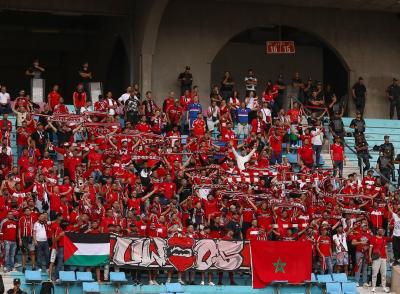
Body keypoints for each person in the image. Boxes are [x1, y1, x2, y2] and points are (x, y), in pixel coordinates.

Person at [369, 228, 390, 293]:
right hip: (376, 258)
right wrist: (370, 257)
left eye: (383, 231)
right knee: (375, 273)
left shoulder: (384, 239)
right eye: (381, 231)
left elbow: (386, 249)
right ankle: (373, 287)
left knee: (384, 273)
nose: (382, 232)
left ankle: (384, 287)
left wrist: (387, 256)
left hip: (383, 258)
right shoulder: (373, 238)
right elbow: (370, 248)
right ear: (377, 231)